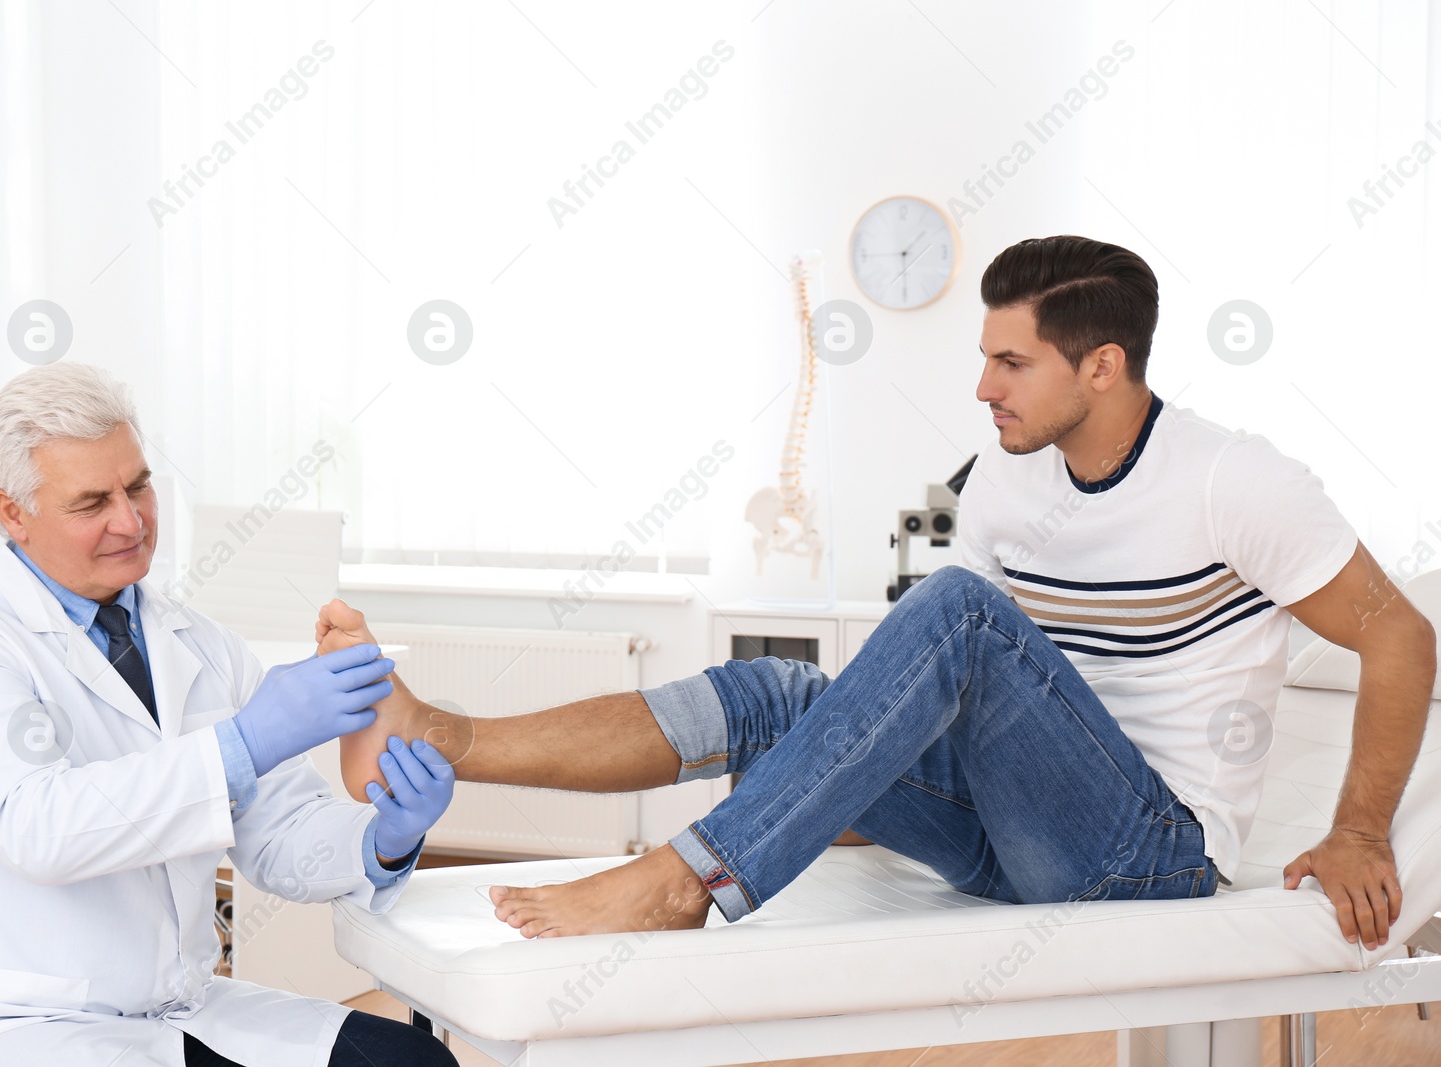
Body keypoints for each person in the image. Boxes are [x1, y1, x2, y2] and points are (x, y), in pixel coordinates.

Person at [319, 235, 1434, 952]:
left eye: (1013, 362)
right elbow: (970, 701)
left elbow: (1401, 641)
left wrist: (1356, 832)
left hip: (1145, 857)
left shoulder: (1235, 480)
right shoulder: (1005, 474)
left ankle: (683, 877)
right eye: (984, 356)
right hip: (1009, 835)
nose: (982, 386)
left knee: (956, 606)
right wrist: (818, 775)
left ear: (1102, 366)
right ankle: (444, 733)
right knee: (776, 693)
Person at [0, 363, 458, 1067]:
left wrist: (384, 835)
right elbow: (42, 830)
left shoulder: (200, 644)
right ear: (11, 512)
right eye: (92, 502)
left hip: (175, 1006)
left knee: (410, 1062)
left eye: (138, 485)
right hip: (9, 1021)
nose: (131, 519)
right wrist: (242, 743)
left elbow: (279, 839)